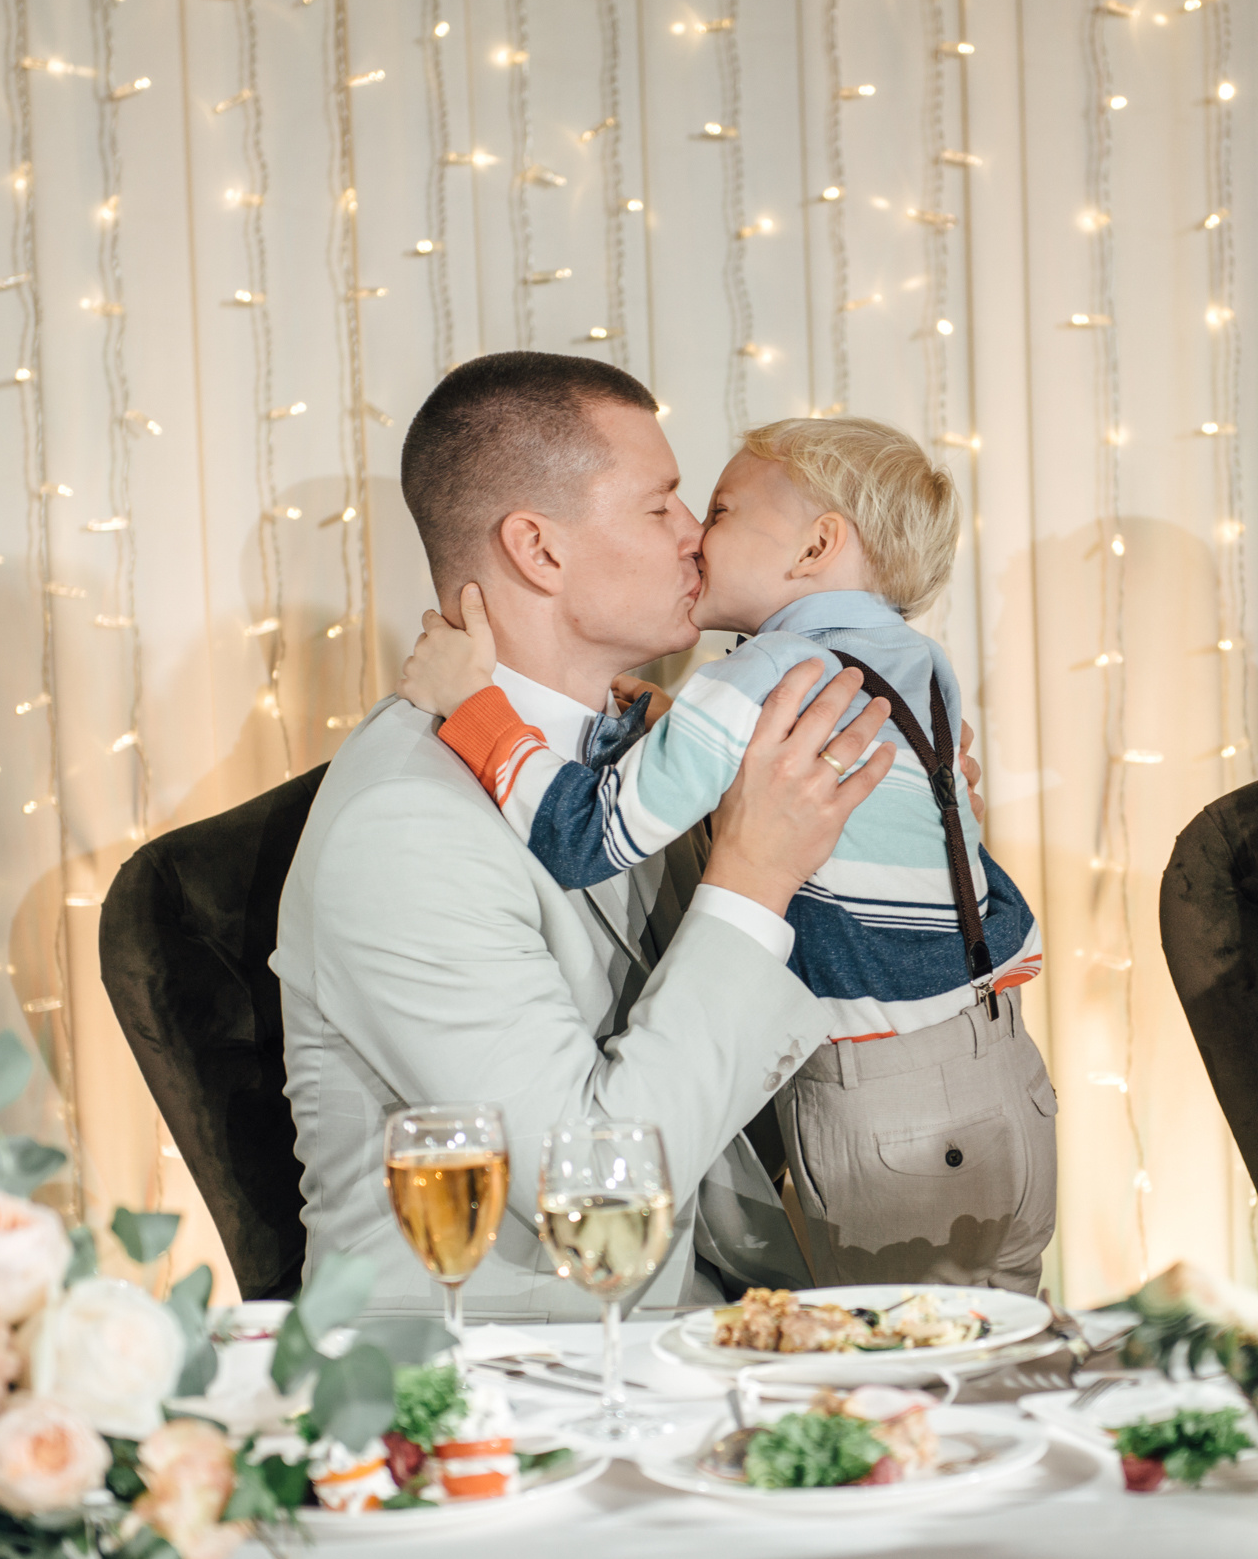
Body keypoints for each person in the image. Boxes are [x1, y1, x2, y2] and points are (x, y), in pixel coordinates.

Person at [274, 352, 918, 1319]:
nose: (699, 537)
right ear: (538, 550)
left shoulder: (654, 752)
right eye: (661, 507)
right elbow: (600, 1191)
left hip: (710, 1323)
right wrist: (754, 874)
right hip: (509, 1378)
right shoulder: (405, 826)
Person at [399, 416, 1056, 1293]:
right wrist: (664, 731)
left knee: (878, 1367)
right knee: (983, 1353)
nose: (693, 538)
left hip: (884, 1108)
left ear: (818, 544)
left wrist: (472, 707)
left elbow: (584, 836)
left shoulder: (760, 674)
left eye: (716, 510)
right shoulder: (918, 660)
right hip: (1002, 1075)